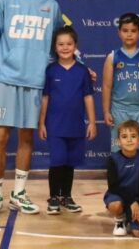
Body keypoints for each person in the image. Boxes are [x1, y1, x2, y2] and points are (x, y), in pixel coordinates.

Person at [0, 0, 63, 217]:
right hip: (5, 79)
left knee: (27, 137)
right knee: (1, 136)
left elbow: (60, 44)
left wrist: (80, 66)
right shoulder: (3, 1)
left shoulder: (51, 6)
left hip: (36, 81)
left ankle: (19, 193)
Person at [102, 12, 139, 207]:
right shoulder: (113, 57)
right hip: (120, 109)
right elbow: (106, 86)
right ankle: (118, 190)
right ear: (119, 32)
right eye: (125, 31)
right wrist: (106, 110)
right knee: (119, 151)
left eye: (133, 31)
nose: (129, 35)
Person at [38, 26, 96, 214]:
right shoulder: (50, 71)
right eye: (61, 44)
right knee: (58, 161)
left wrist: (93, 122)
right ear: (55, 47)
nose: (65, 47)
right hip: (55, 126)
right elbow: (45, 98)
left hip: (76, 125)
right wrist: (41, 123)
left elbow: (88, 97)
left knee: (70, 163)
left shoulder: (82, 71)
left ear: (75, 46)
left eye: (69, 44)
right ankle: (54, 197)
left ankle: (67, 196)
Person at [104, 120, 139, 237]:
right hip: (118, 195)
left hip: (136, 199)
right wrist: (131, 202)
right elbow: (114, 186)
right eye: (124, 137)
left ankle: (130, 219)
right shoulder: (113, 159)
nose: (129, 140)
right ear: (118, 142)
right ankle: (120, 220)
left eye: (133, 136)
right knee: (115, 205)